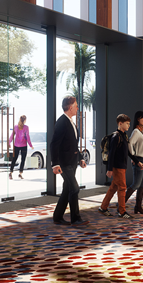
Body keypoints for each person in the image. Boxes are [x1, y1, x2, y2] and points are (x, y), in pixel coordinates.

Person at [51, 95, 86, 225]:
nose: (77, 108)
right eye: (76, 106)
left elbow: (73, 145)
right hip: (64, 164)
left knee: (67, 189)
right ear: (70, 107)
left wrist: (80, 158)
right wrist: (55, 164)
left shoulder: (70, 121)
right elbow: (54, 144)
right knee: (74, 188)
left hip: (72, 162)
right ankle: (76, 219)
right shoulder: (62, 122)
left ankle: (57, 217)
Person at [100, 114, 133, 218]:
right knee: (122, 187)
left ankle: (103, 207)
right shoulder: (116, 136)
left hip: (122, 166)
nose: (129, 126)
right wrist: (109, 169)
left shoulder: (124, 136)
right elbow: (112, 154)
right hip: (117, 166)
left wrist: (136, 160)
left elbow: (127, 152)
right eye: (127, 123)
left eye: (129, 123)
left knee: (114, 187)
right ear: (120, 123)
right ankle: (122, 211)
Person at [124, 110, 143, 215]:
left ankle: (138, 207)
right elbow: (130, 144)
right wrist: (134, 157)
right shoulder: (136, 131)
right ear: (138, 119)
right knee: (136, 184)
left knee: (142, 185)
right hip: (139, 160)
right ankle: (121, 205)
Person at [9, 115, 31, 179]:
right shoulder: (26, 127)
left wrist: (9, 142)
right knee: (23, 160)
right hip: (24, 146)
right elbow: (28, 137)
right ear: (25, 120)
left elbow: (12, 135)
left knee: (14, 159)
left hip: (16, 145)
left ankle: (10, 173)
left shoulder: (16, 126)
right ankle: (20, 173)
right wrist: (30, 145)